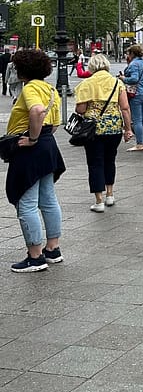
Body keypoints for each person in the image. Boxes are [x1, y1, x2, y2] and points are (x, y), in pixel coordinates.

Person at [4, 48, 65, 273]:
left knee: (26, 202)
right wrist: (42, 137)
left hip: (30, 149)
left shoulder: (30, 88)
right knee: (48, 199)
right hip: (48, 146)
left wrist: (31, 138)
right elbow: (56, 122)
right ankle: (53, 249)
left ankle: (35, 256)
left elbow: (37, 111)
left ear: (24, 69)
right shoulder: (50, 89)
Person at [73, 53, 133, 212]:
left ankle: (98, 201)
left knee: (95, 162)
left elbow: (81, 109)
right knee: (109, 160)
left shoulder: (86, 84)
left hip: (93, 130)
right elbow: (125, 108)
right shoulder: (117, 83)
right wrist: (128, 129)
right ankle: (110, 194)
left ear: (91, 67)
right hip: (114, 128)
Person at [121, 44, 143, 150]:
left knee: (137, 120)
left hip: (136, 93)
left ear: (132, 53)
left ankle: (139, 143)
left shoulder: (133, 64)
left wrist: (123, 78)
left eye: (128, 53)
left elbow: (134, 79)